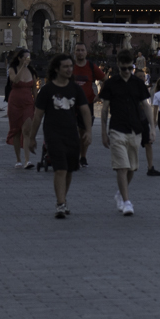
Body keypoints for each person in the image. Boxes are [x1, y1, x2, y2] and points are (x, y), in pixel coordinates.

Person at [35, 52, 91, 218]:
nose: (69, 69)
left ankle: (63, 199)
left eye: (70, 66)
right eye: (65, 66)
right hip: (53, 134)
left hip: (71, 134)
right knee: (60, 169)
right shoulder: (47, 90)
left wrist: (88, 130)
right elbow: (38, 115)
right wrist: (31, 138)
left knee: (69, 170)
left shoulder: (75, 89)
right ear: (57, 69)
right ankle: (60, 204)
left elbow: (85, 110)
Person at [102, 59, 152, 214]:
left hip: (135, 128)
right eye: (124, 68)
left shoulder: (138, 83)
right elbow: (104, 109)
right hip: (117, 128)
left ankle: (120, 194)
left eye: (130, 68)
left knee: (132, 168)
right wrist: (103, 132)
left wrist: (152, 128)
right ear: (118, 67)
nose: (126, 71)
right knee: (122, 167)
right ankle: (127, 202)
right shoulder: (111, 84)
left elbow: (146, 105)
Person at [5, 53, 38, 169]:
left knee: (27, 130)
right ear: (19, 58)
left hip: (28, 103)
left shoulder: (32, 72)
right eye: (25, 56)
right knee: (16, 131)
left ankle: (27, 160)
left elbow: (34, 89)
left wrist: (37, 103)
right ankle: (18, 159)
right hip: (15, 103)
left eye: (28, 57)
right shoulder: (12, 69)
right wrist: (23, 67)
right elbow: (15, 81)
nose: (27, 59)